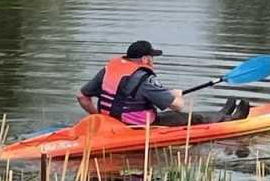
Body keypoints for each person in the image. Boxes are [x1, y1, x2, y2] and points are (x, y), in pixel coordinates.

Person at [78, 41, 249, 127]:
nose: (153, 61)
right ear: (145, 59)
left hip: (112, 124)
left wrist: (101, 118)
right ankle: (232, 120)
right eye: (151, 57)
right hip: (140, 127)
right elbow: (177, 107)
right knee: (193, 117)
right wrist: (176, 97)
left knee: (192, 115)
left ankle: (222, 114)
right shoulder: (145, 78)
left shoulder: (109, 69)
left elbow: (82, 97)